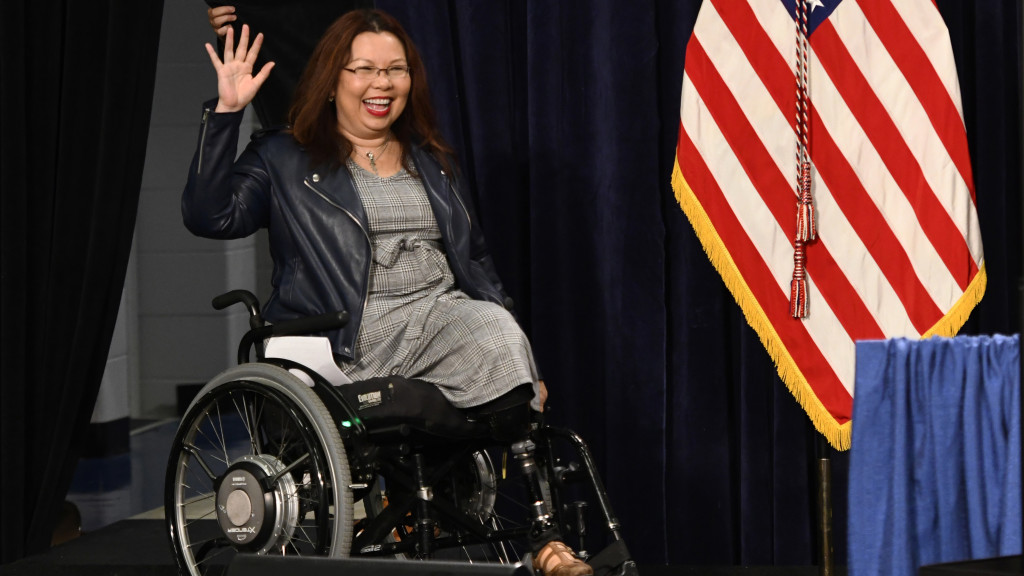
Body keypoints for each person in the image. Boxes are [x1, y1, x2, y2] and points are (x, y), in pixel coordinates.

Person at [182, 9, 588, 576]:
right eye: (365, 69)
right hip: (350, 336)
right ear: (332, 80)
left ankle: (548, 540)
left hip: (443, 320)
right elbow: (209, 217)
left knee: (500, 336)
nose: (382, 84)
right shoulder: (283, 157)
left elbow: (474, 263)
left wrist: (524, 364)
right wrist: (226, 114)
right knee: (493, 341)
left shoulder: (431, 161)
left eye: (396, 70)